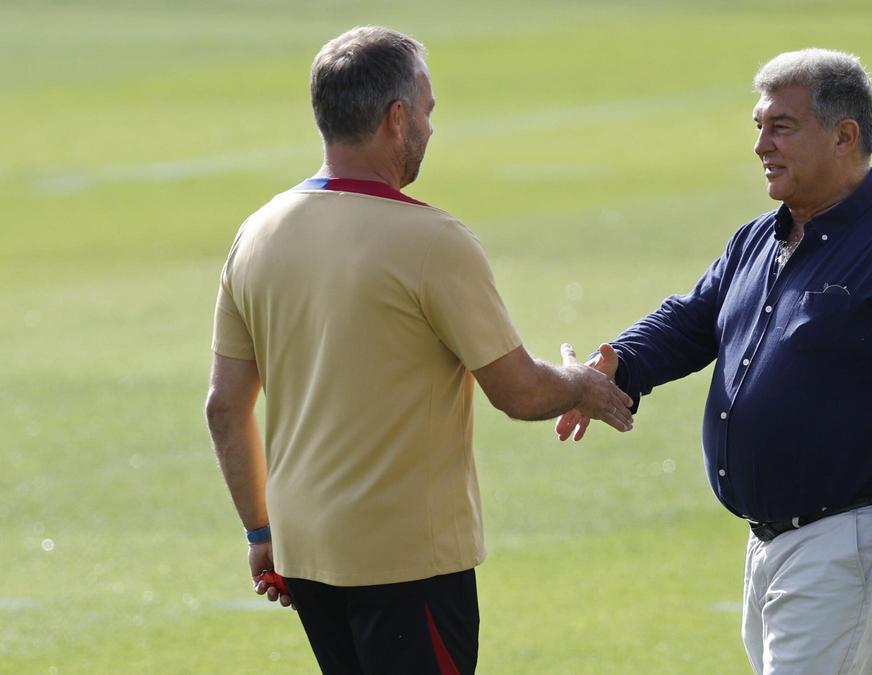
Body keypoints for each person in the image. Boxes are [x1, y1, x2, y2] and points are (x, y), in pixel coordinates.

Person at [204, 26, 632, 675]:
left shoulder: (257, 234)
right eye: (427, 111)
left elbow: (224, 407)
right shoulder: (432, 241)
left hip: (305, 555)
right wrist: (580, 382)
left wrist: (260, 532)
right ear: (396, 118)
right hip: (406, 564)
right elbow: (519, 392)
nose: (431, 128)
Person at [556, 48, 872, 674]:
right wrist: (615, 365)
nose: (761, 145)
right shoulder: (759, 237)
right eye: (759, 127)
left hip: (849, 538)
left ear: (844, 136)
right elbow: (691, 321)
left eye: (781, 127)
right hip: (769, 542)